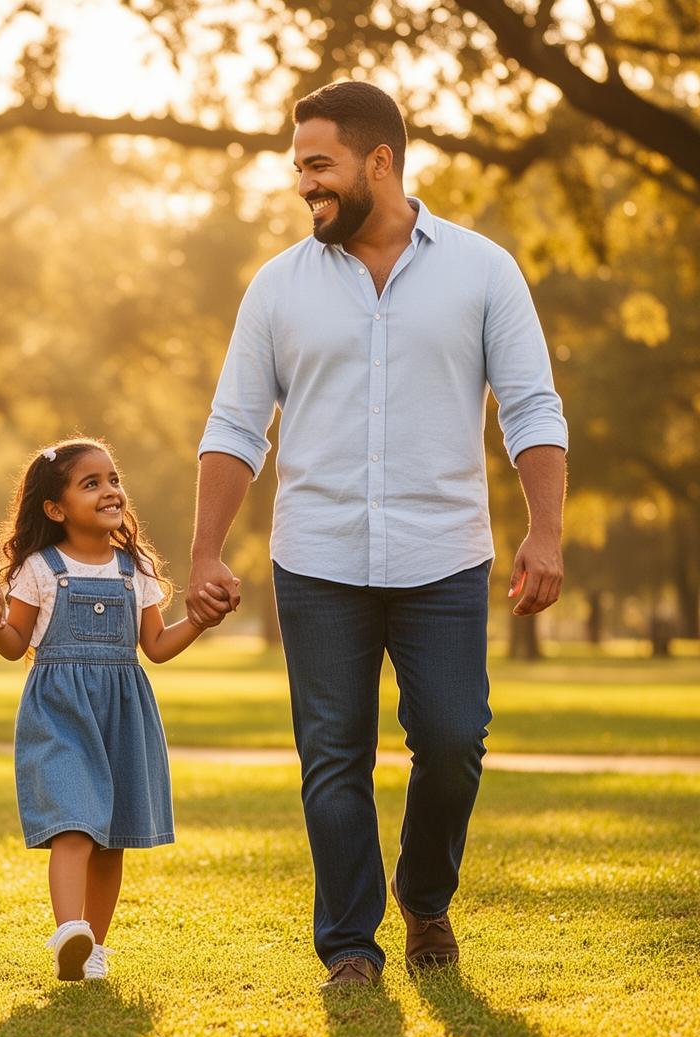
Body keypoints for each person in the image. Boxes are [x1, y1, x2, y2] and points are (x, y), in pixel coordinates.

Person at [188, 81, 569, 986]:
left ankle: (426, 896)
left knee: (452, 738)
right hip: (316, 557)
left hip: (443, 554)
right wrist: (204, 550)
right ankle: (350, 945)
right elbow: (236, 427)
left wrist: (545, 532)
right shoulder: (277, 286)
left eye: (319, 166)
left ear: (380, 161)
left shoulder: (483, 271)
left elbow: (531, 407)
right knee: (333, 757)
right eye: (299, 169)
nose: (304, 186)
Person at [0, 439, 233, 981]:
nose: (110, 490)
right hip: (61, 713)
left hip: (122, 711)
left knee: (112, 837)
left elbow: (157, 646)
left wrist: (202, 622)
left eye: (113, 479)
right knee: (74, 826)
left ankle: (91, 948)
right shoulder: (39, 569)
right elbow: (13, 643)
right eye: (90, 483)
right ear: (55, 508)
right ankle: (70, 929)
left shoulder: (133, 569)